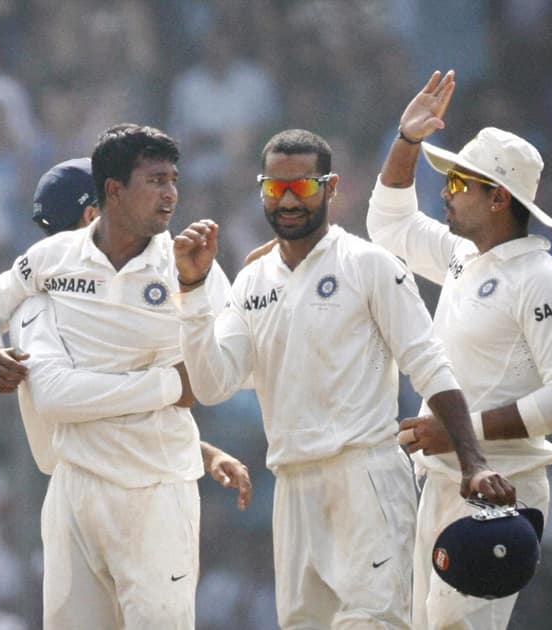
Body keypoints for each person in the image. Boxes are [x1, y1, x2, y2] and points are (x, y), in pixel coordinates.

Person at [172, 127, 516, 628]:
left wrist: (473, 463)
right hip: (291, 486)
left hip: (364, 476)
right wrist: (194, 288)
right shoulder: (250, 282)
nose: (289, 201)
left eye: (303, 188)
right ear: (262, 190)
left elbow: (429, 364)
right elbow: (213, 384)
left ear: (330, 188)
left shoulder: (370, 265)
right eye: (276, 189)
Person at [0, 126, 236, 629]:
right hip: (75, 486)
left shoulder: (185, 264)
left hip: (157, 486)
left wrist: (198, 294)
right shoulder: (53, 259)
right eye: (156, 180)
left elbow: (218, 374)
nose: (171, 193)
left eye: (173, 180)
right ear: (112, 191)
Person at [367, 70, 552, 630]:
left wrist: (461, 431)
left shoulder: (544, 280)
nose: (444, 195)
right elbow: (388, 225)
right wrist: (406, 143)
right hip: (442, 480)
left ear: (498, 198)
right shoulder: (462, 258)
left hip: (498, 492)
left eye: (457, 185)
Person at [0, 156, 252, 504]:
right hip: (82, 489)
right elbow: (57, 398)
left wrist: (201, 450)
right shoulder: (37, 301)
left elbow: (238, 365)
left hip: (160, 478)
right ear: (93, 215)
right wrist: (173, 383)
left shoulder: (177, 261)